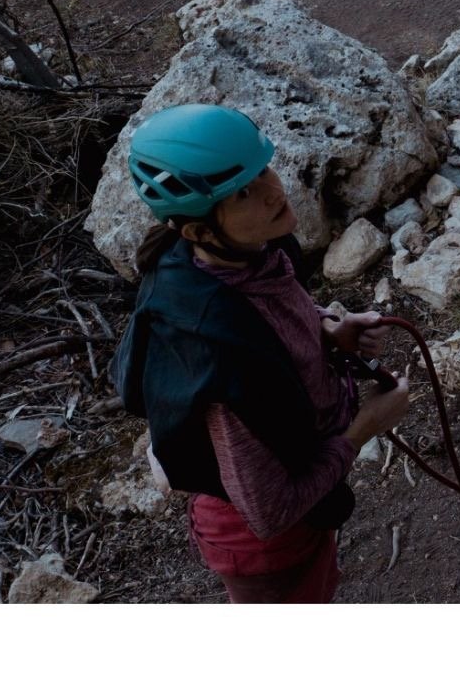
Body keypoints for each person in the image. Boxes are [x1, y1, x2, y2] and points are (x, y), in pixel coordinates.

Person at [112, 103, 413, 603]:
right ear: (199, 230)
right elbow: (269, 513)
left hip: (302, 496)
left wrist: (327, 330)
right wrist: (365, 427)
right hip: (265, 549)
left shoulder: (250, 251)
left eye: (262, 171)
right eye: (243, 193)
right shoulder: (215, 356)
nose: (274, 190)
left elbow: (270, 310)